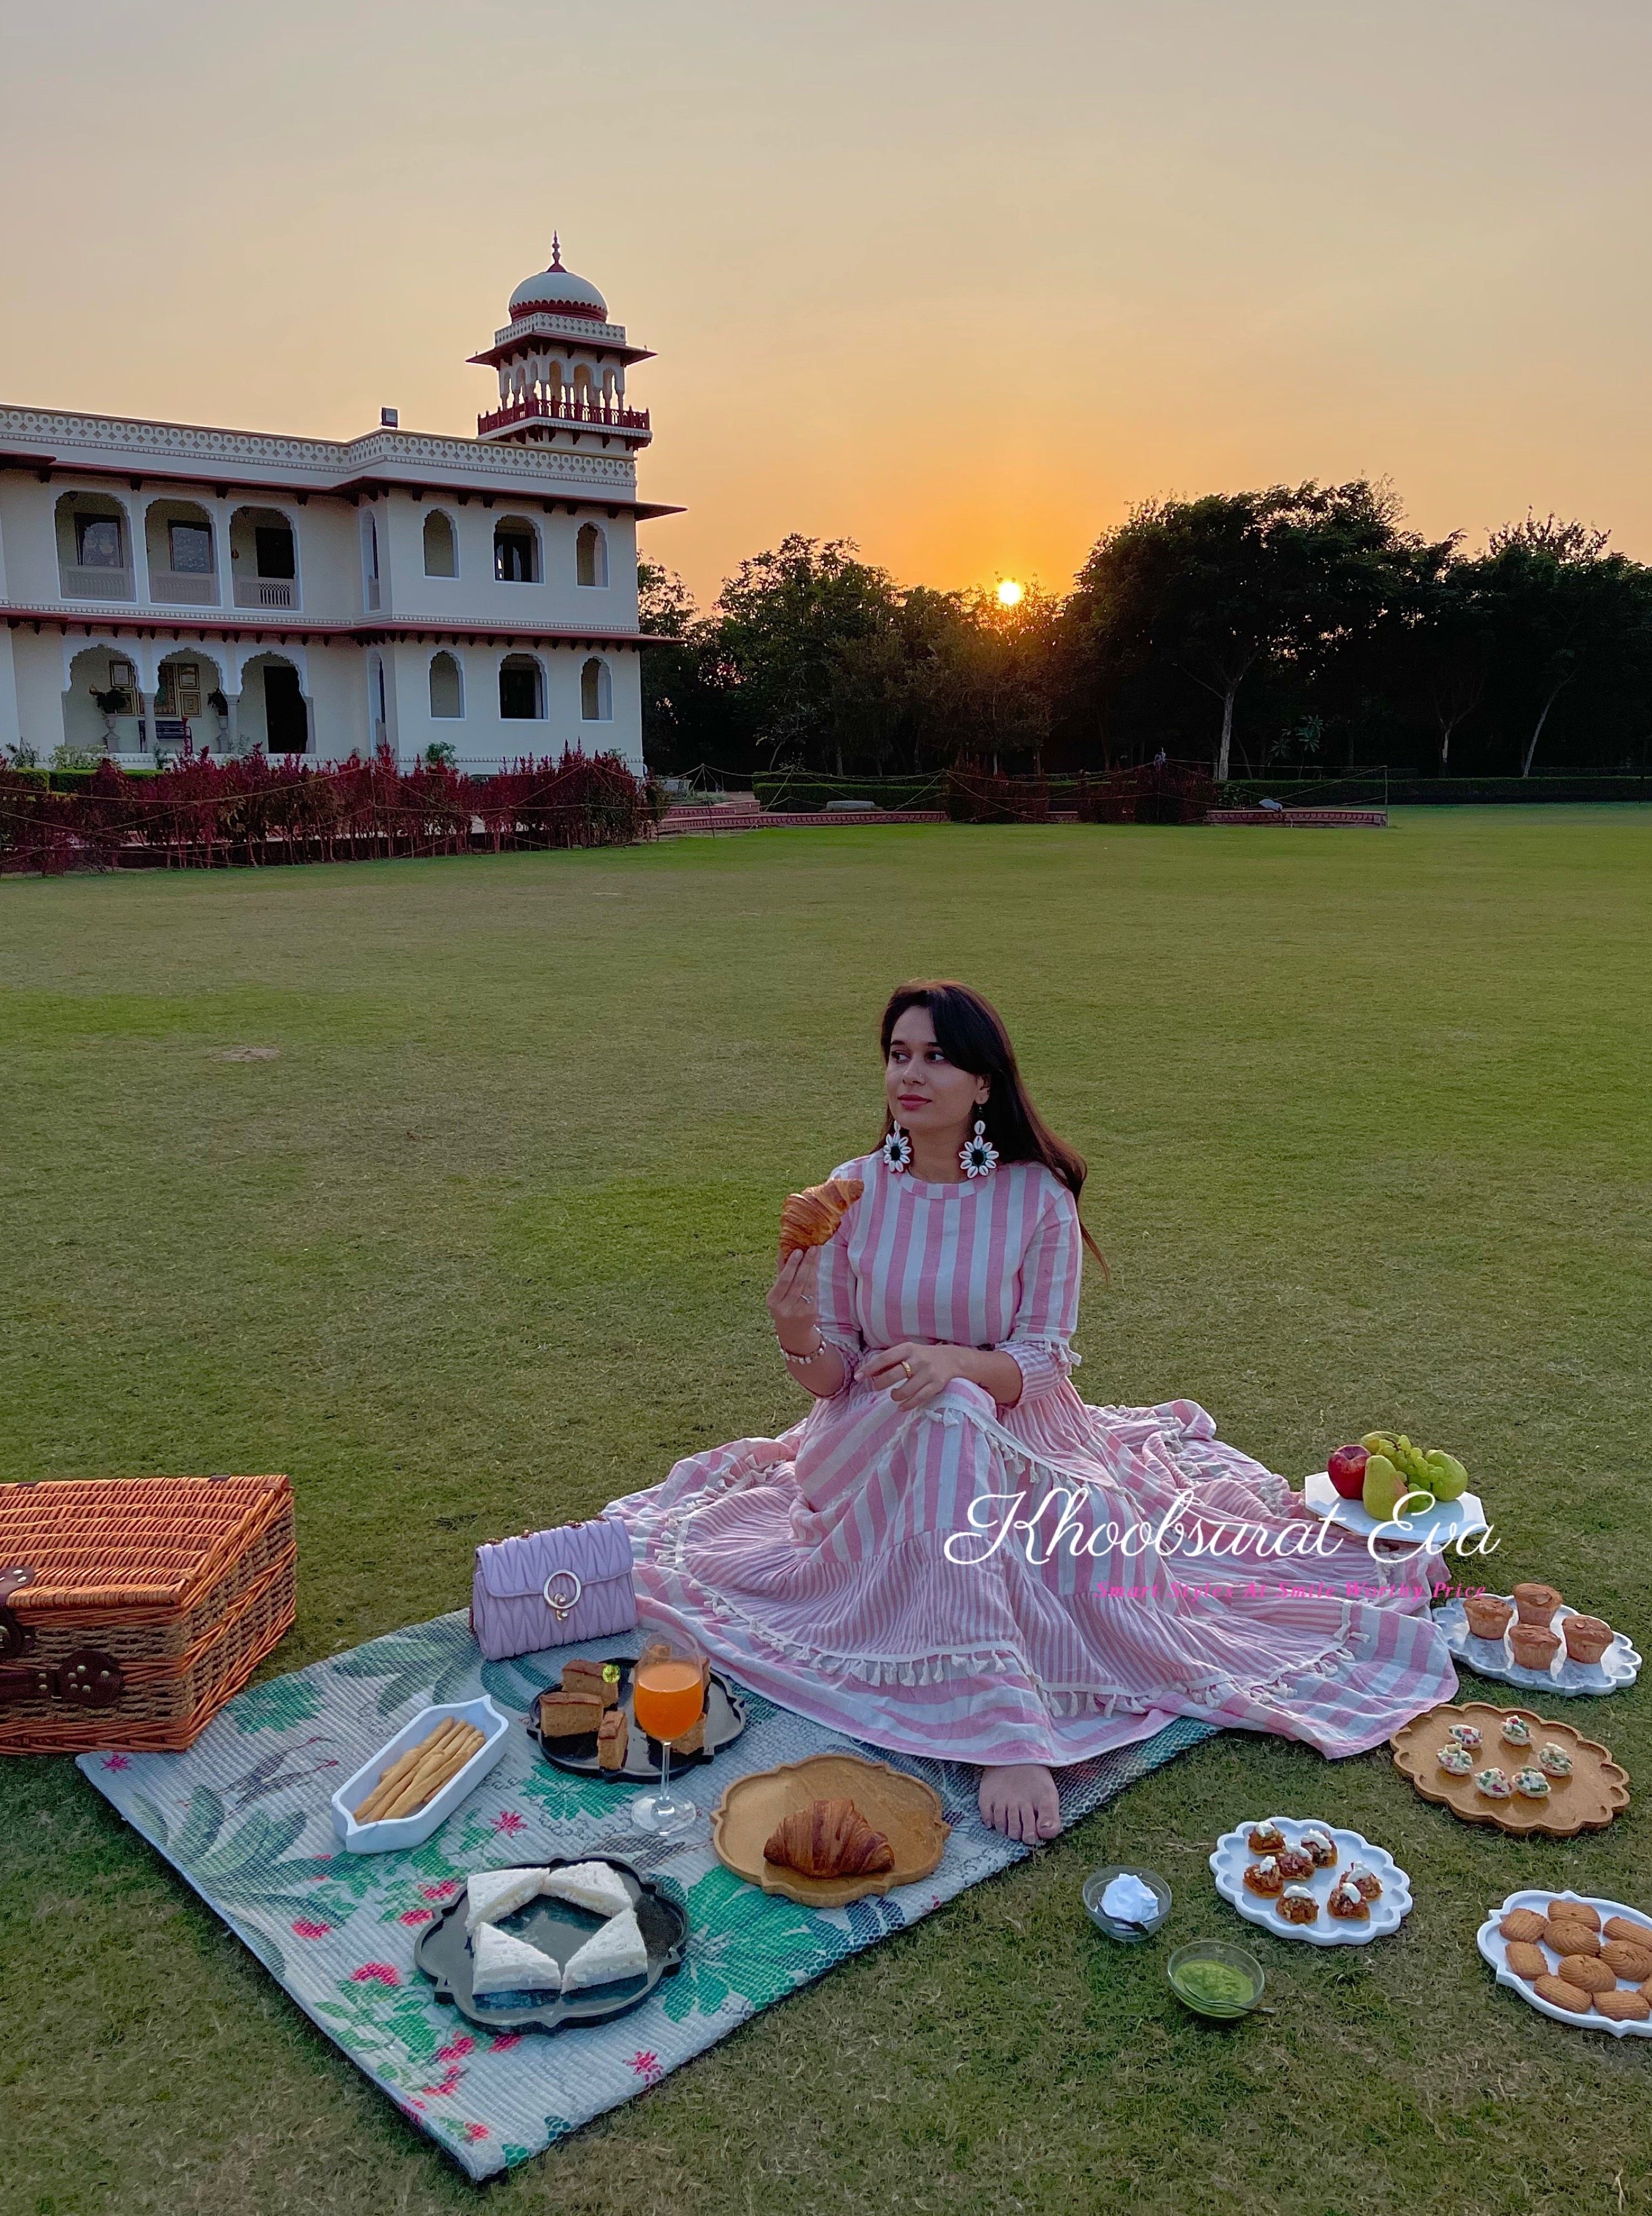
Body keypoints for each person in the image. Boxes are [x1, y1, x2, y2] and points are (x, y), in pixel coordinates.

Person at [610, 982, 1456, 1842]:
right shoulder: (850, 1193)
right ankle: (1004, 1729)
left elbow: (1045, 1357)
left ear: (984, 1084)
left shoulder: (1034, 1197)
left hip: (1024, 1433)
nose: (911, 1073)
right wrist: (796, 1332)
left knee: (975, 1427)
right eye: (898, 1055)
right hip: (869, 1438)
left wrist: (955, 1366)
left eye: (937, 1056)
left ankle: (990, 1680)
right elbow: (831, 1380)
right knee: (943, 1420)